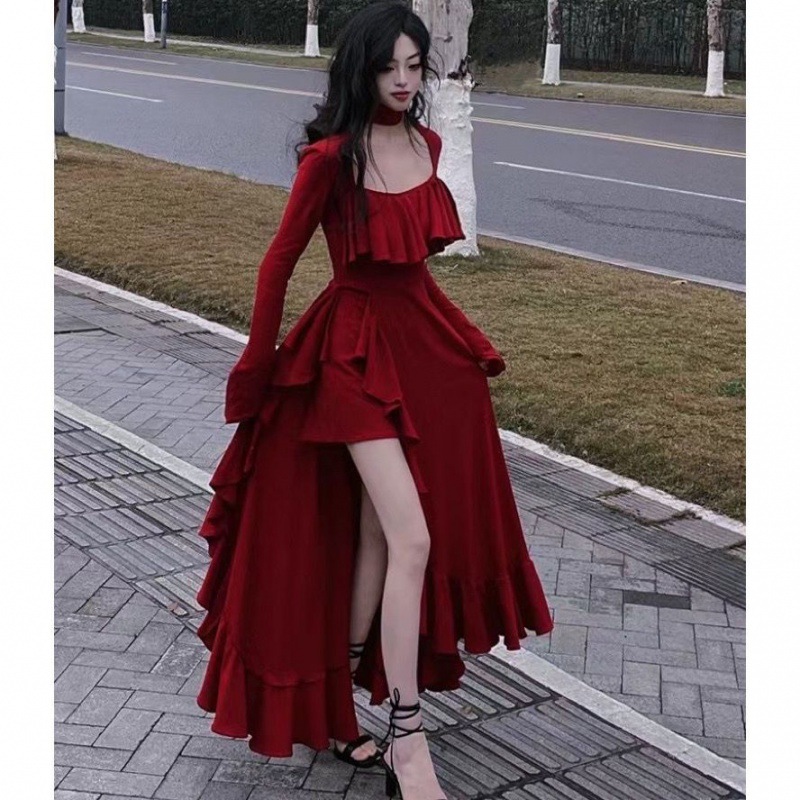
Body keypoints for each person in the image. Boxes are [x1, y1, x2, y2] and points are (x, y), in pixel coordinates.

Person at [195, 2, 554, 798]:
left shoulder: (430, 144)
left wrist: (465, 341)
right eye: (388, 65)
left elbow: (415, 276)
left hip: (423, 353)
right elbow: (278, 264)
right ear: (361, 69)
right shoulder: (329, 159)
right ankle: (408, 735)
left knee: (378, 543)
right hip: (350, 355)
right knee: (411, 538)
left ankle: (338, 710)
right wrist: (257, 368)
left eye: (414, 66)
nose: (402, 79)